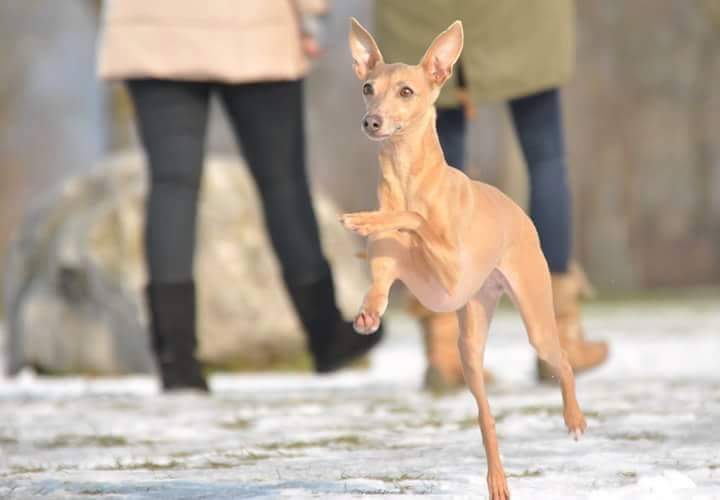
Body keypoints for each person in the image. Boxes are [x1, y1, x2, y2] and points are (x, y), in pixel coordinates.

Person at [97, 0, 382, 391]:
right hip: (254, 27)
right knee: (283, 183)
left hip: (151, 30)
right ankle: (327, 336)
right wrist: (311, 15)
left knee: (171, 187)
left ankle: (176, 360)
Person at [375, 0, 608, 389]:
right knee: (546, 160)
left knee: (430, 171)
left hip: (421, 15)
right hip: (521, 16)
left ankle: (443, 342)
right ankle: (561, 337)